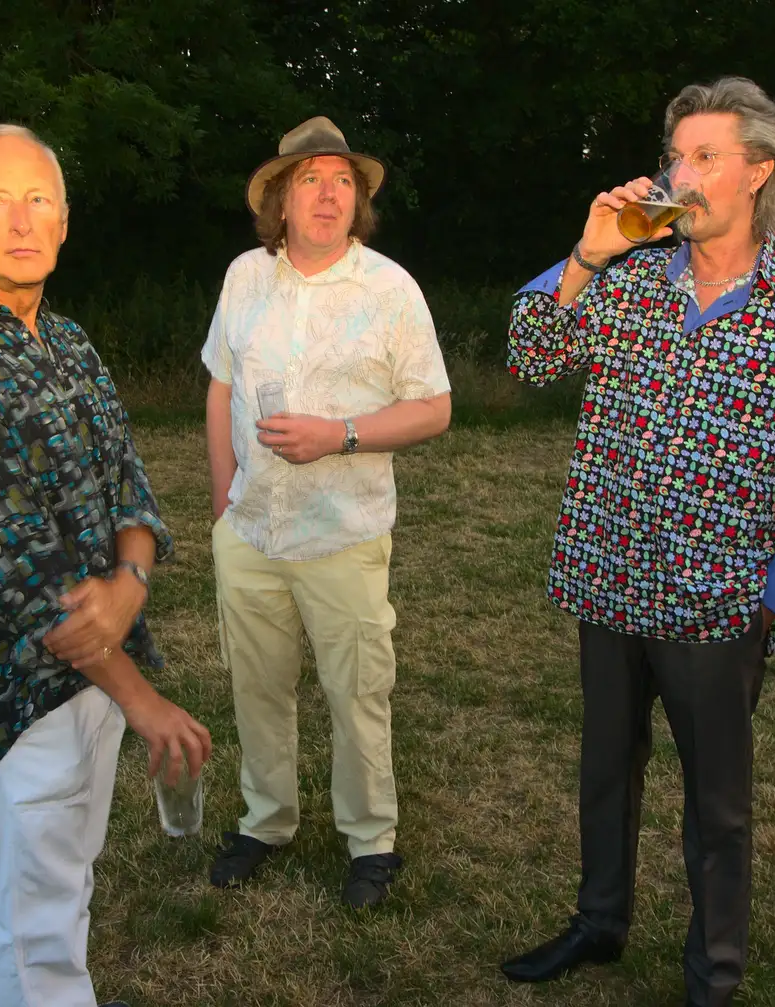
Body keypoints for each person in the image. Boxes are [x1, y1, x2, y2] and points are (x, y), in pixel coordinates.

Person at [501, 77, 775, 1007]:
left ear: (759, 172)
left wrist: (772, 596)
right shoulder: (625, 283)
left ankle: (714, 971)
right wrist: (585, 254)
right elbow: (529, 354)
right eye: (677, 157)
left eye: (706, 157)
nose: (682, 175)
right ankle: (599, 921)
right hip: (608, 575)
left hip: (720, 599)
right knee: (604, 770)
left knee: (717, 804)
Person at [0, 123, 210, 1007]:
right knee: (40, 929)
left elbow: (130, 481)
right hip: (16, 693)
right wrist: (143, 698)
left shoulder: (63, 338)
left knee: (55, 892)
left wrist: (127, 585)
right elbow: (12, 573)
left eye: (39, 200)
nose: (20, 220)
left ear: (64, 221)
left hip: (99, 674)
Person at [202, 115, 452, 909]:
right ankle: (266, 820)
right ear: (278, 200)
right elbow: (220, 385)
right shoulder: (245, 277)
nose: (330, 193)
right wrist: (222, 502)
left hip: (342, 530)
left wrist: (340, 434)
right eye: (310, 179)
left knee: (357, 690)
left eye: (343, 180)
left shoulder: (389, 289)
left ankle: (371, 839)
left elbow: (436, 407)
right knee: (258, 686)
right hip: (250, 530)